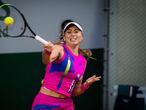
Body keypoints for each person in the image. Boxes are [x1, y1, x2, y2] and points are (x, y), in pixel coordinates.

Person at [31, 19, 101, 110]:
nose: (73, 34)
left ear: (82, 36)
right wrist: (48, 52)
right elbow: (47, 60)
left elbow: (75, 91)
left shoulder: (83, 61)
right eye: (68, 32)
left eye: (76, 31)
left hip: (66, 104)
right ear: (64, 37)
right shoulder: (59, 49)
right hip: (46, 102)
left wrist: (87, 84)